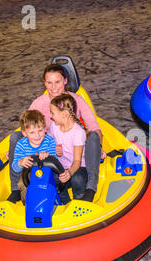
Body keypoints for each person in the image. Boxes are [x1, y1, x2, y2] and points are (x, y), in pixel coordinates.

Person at [8, 63, 103, 203]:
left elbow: (94, 128)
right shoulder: (39, 104)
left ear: (65, 81)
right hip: (47, 147)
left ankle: (91, 187)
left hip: (72, 148)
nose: (53, 87)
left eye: (57, 82)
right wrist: (16, 150)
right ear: (44, 83)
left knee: (94, 137)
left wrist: (99, 149)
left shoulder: (77, 100)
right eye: (49, 82)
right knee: (15, 137)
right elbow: (27, 128)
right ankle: (16, 189)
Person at [8, 110, 57, 203]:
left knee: (54, 184)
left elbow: (56, 162)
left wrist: (48, 156)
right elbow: (15, 168)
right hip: (27, 177)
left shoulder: (49, 141)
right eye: (32, 132)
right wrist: (20, 162)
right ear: (24, 133)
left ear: (45, 128)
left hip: (46, 175)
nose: (37, 135)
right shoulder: (21, 145)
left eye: (40, 130)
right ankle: (27, 205)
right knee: (24, 188)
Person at [48, 94, 88, 205]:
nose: (50, 116)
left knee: (78, 179)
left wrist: (69, 172)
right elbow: (49, 142)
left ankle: (78, 202)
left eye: (52, 113)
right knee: (51, 177)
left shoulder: (78, 133)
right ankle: (65, 203)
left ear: (64, 115)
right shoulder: (54, 126)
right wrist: (53, 149)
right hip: (60, 167)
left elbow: (77, 161)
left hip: (77, 168)